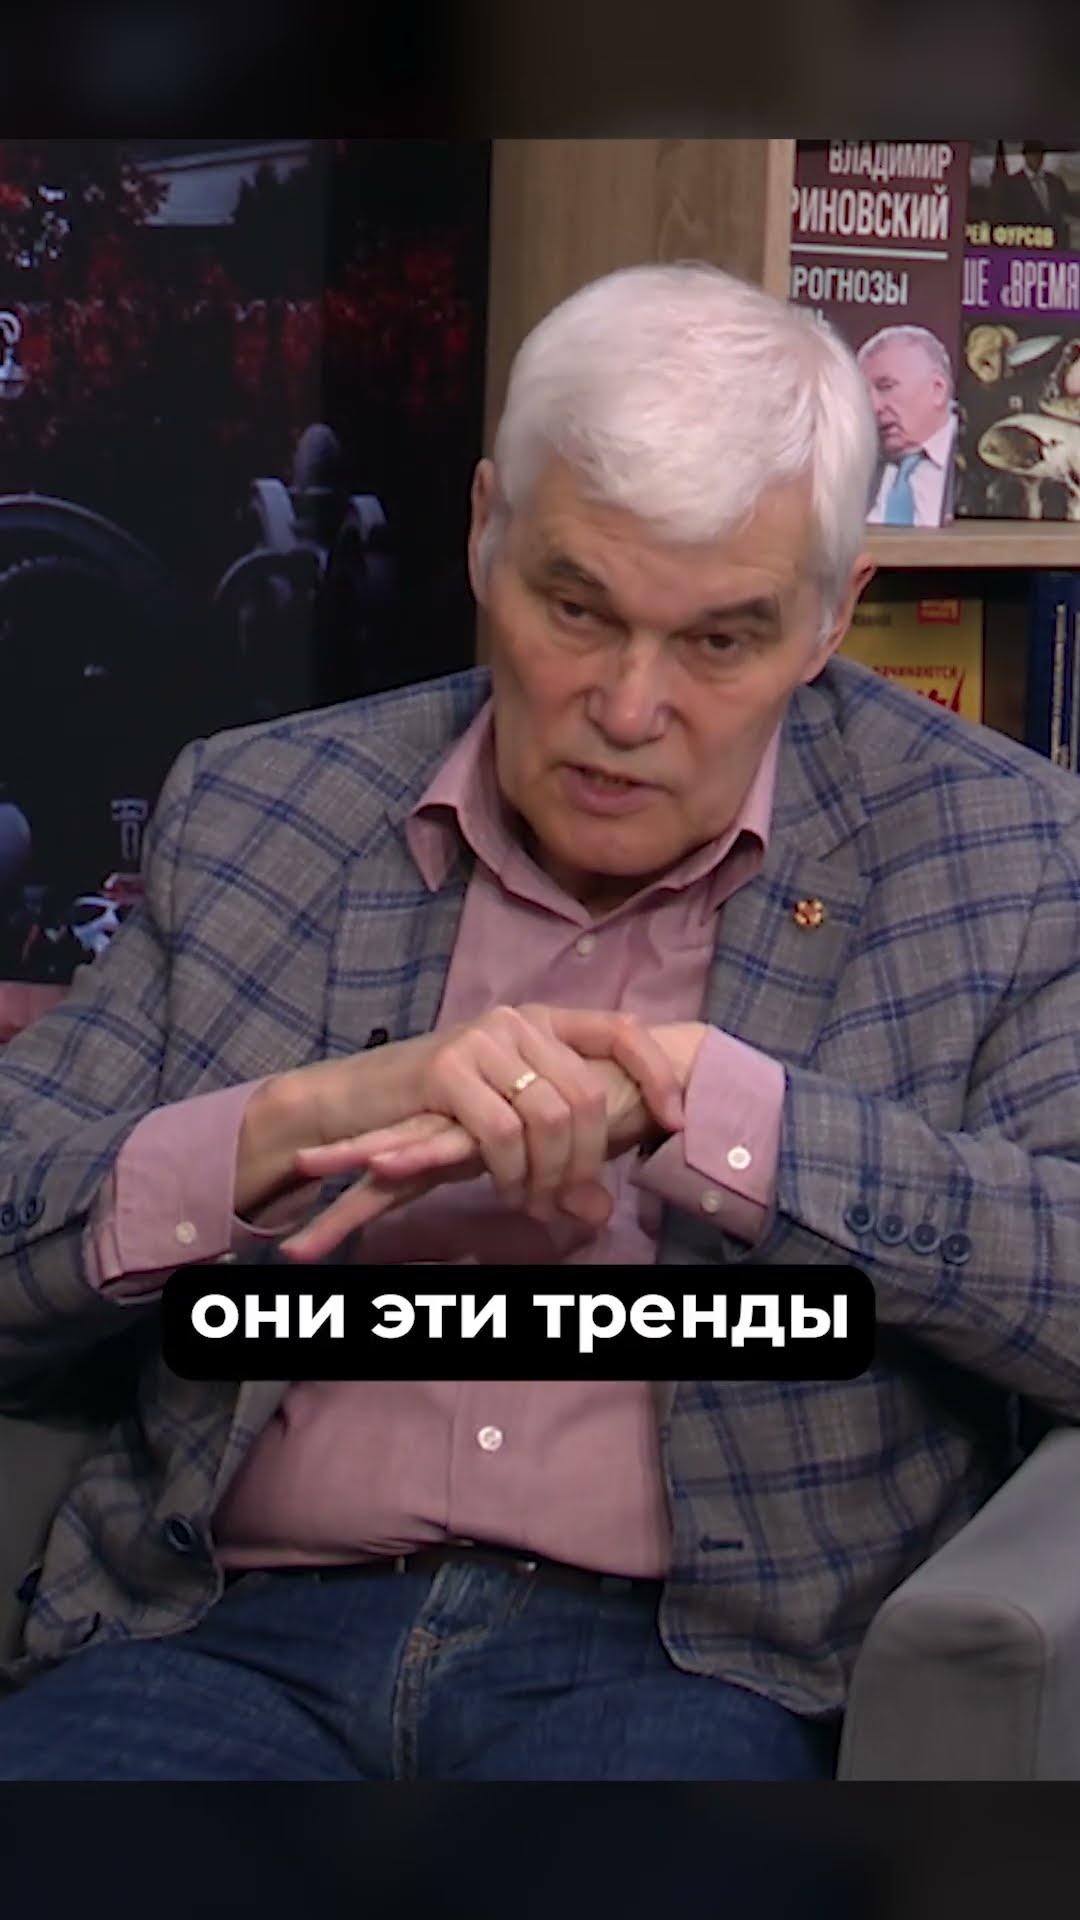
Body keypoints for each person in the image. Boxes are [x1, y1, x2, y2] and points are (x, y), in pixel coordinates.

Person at [1, 261, 1080, 1783]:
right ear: (484, 533)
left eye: (720, 641)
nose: (627, 710)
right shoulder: (258, 808)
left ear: (834, 615)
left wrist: (729, 1123)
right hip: (220, 1640)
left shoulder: (1005, 855)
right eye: (576, 607)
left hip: (691, 1676)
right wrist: (291, 1125)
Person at [857, 324, 958, 526]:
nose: (874, 406)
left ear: (937, 390)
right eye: (864, 393)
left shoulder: (981, 462)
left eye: (886, 387)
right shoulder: (852, 466)